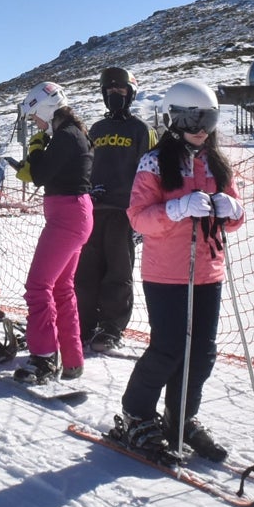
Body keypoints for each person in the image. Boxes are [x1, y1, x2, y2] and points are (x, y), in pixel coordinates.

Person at [111, 80, 242, 464]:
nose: (201, 128)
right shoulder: (154, 162)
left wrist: (231, 210)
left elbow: (234, 215)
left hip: (208, 272)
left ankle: (180, 416)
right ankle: (137, 412)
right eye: (191, 118)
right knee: (169, 349)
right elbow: (138, 218)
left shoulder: (216, 163)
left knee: (202, 354)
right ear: (173, 119)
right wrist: (177, 208)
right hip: (167, 273)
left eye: (208, 119)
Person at [11, 81, 94, 383]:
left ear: (45, 109)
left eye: (34, 116)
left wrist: (35, 152)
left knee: (38, 286)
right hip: (75, 213)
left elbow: (41, 176)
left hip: (66, 216)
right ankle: (71, 358)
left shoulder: (65, 137)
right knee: (61, 287)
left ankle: (44, 358)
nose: (34, 123)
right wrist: (38, 155)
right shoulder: (72, 133)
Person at [75, 67, 157, 353]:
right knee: (85, 271)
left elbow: (151, 173)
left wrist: (142, 215)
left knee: (118, 272)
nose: (114, 95)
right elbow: (84, 165)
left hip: (124, 212)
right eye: (109, 91)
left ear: (131, 94)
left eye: (120, 91)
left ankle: (112, 326)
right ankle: (83, 322)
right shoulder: (96, 129)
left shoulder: (142, 130)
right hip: (92, 211)